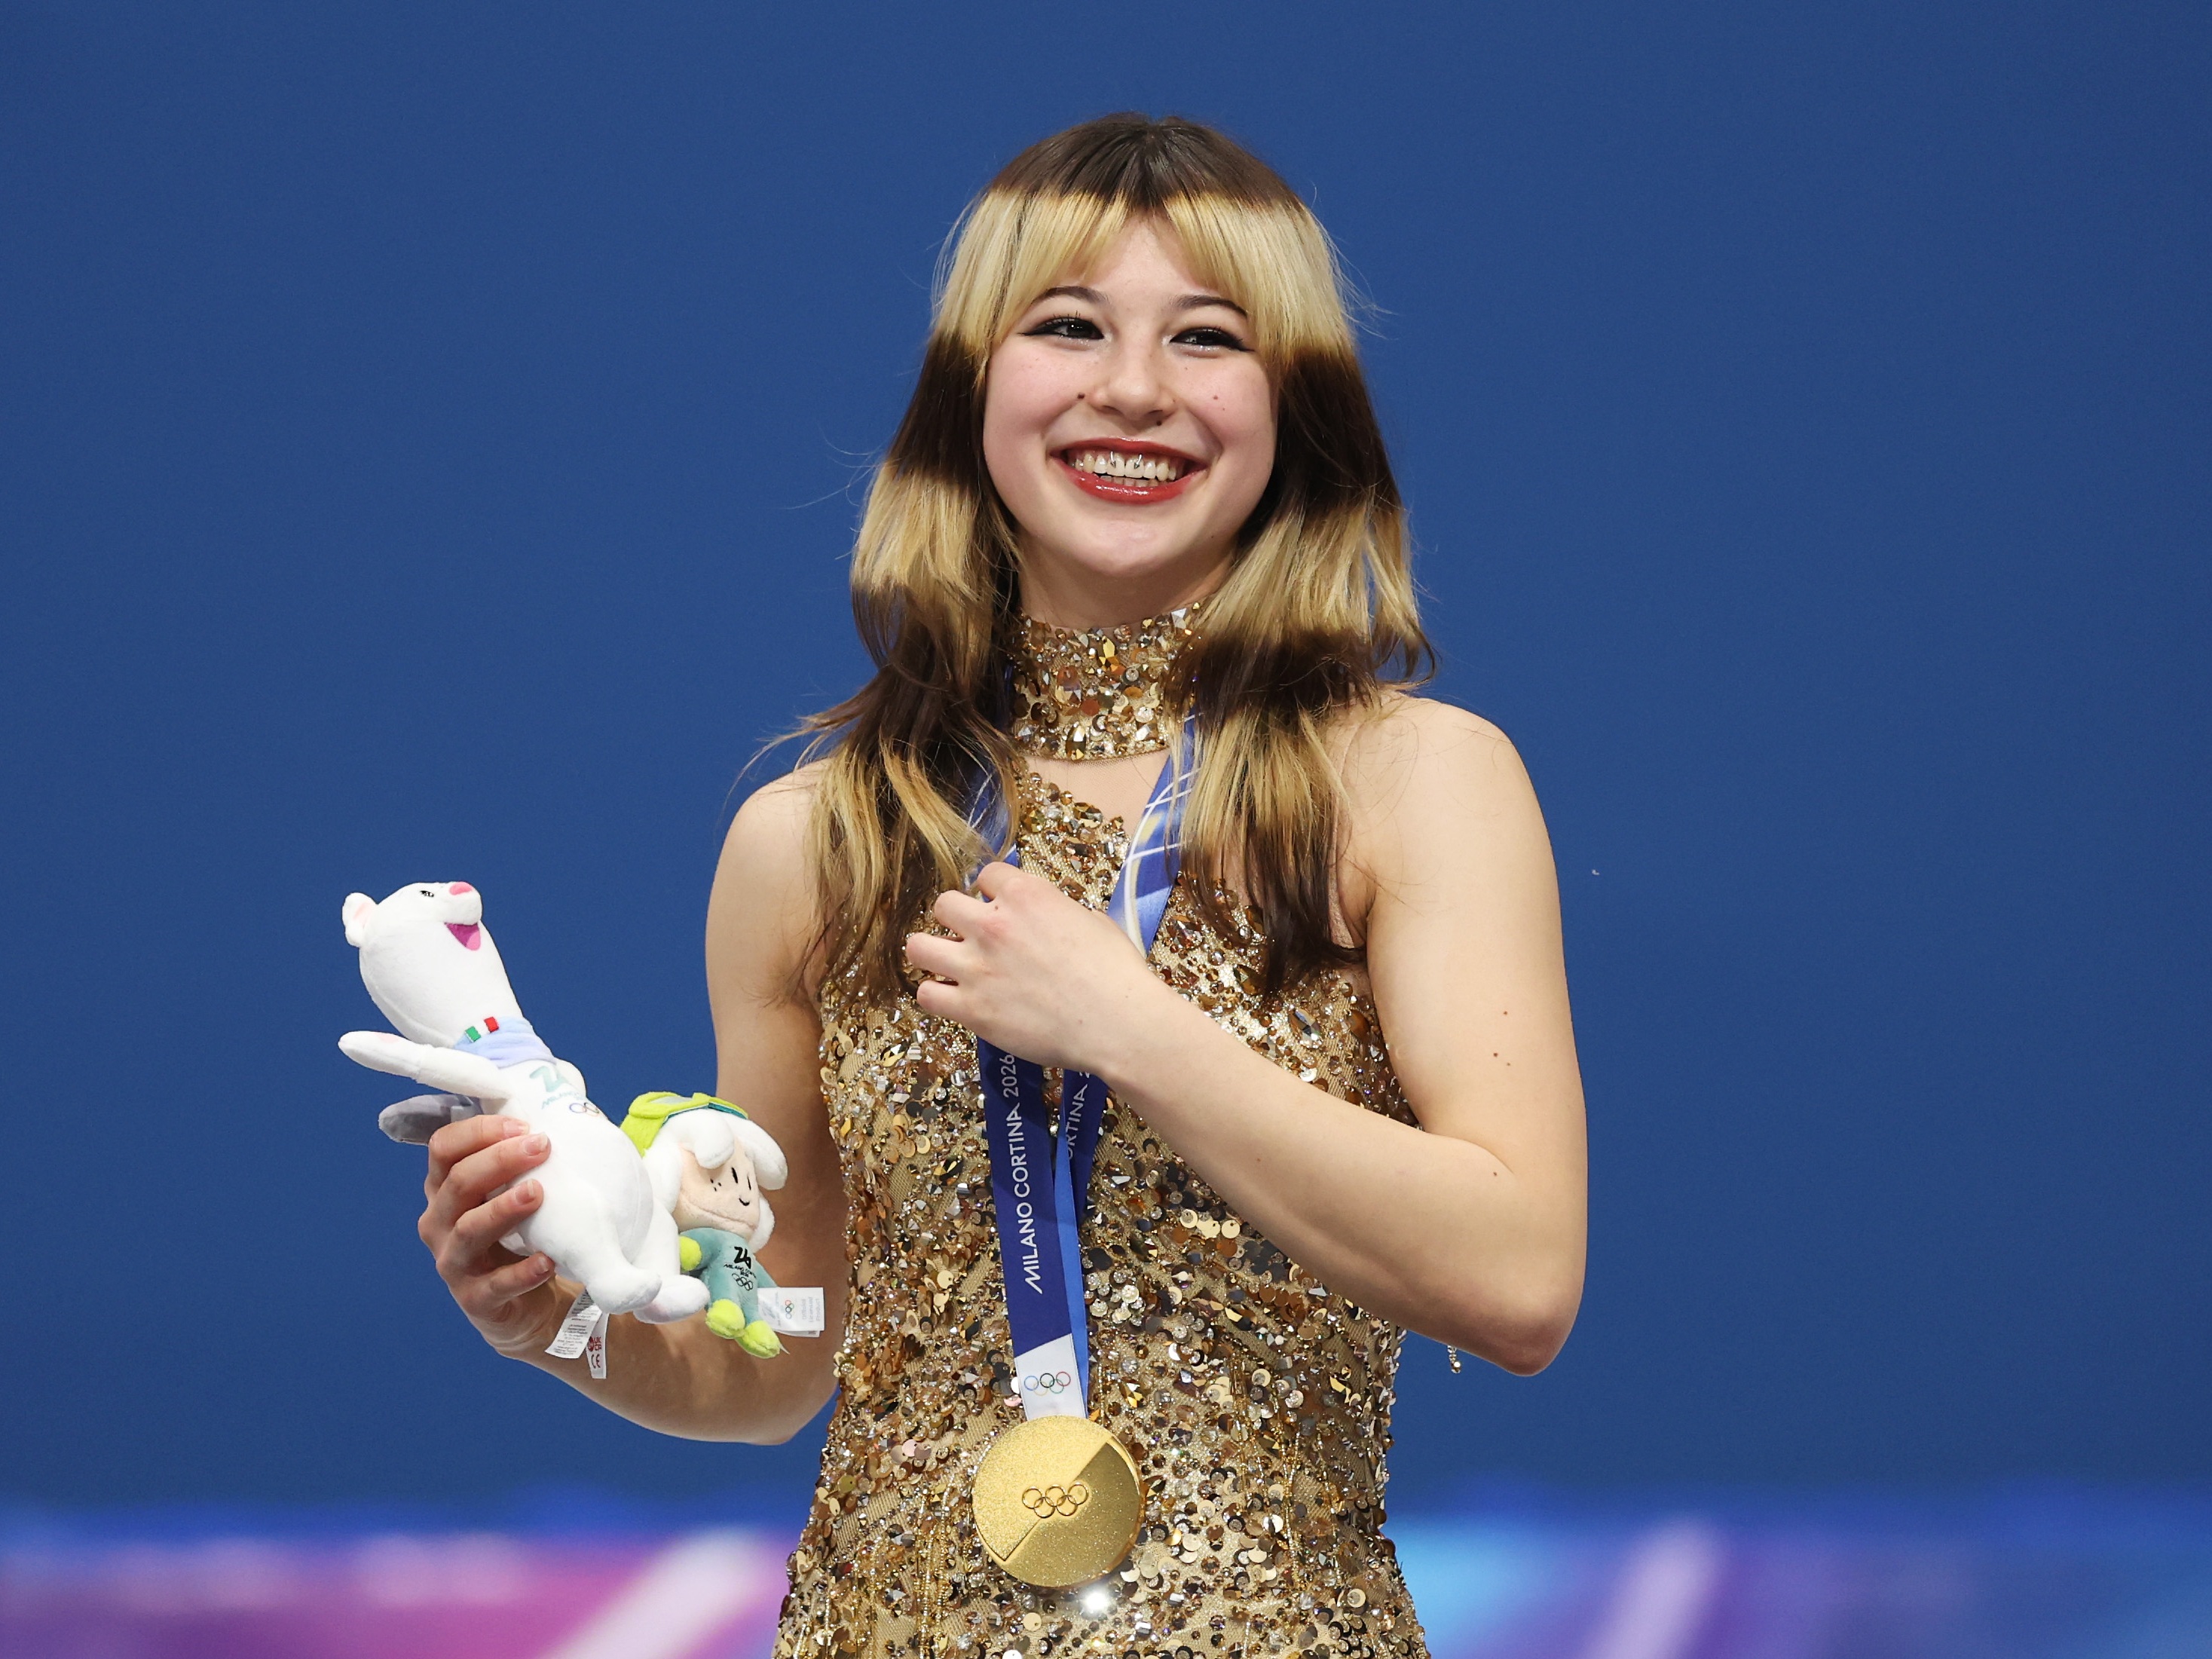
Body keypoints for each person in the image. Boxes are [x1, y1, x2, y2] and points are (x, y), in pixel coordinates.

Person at [412, 114, 1586, 1659]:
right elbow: (785, 1354)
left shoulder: (1410, 783)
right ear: (973, 387)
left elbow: (1519, 1280)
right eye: (1070, 326)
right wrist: (561, 1319)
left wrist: (1135, 1031)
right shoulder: (819, 835)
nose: (1134, 388)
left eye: (1207, 337)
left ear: (1293, 401)